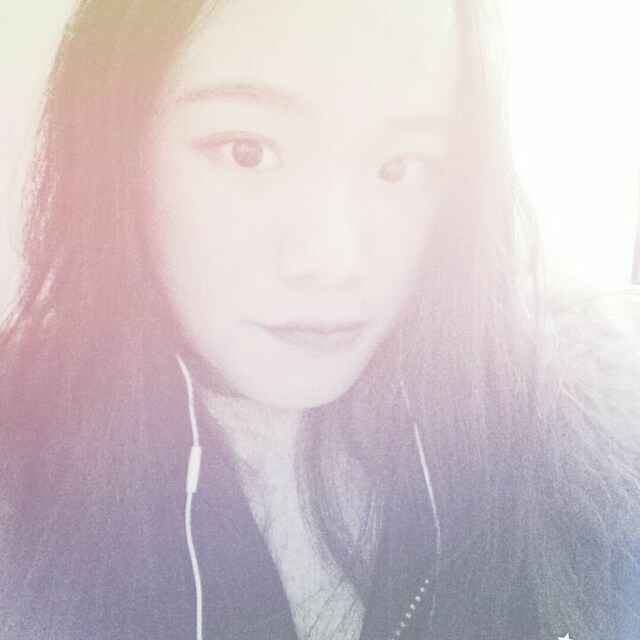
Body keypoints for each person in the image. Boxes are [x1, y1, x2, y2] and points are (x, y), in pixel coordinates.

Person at [0, 0, 639, 638]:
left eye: (399, 167)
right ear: (117, 145)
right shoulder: (21, 481)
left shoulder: (578, 459)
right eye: (248, 152)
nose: (333, 261)